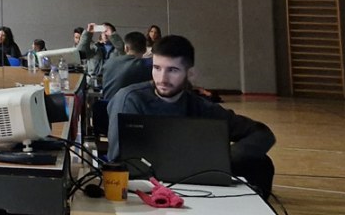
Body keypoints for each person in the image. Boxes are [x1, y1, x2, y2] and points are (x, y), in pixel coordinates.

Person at [106, 35, 276, 198]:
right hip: (144, 185)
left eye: (173, 70)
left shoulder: (200, 106)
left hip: (192, 181)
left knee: (261, 164)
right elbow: (118, 161)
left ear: (191, 73)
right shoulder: (129, 99)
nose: (162, 78)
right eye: (156, 68)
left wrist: (223, 161)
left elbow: (262, 133)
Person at [98, 31, 152, 98]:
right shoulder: (146, 66)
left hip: (106, 103)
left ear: (126, 48)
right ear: (145, 50)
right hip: (129, 103)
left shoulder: (109, 62)